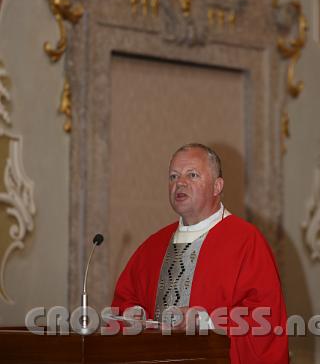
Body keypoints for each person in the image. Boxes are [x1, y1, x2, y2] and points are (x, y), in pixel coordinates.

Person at [112, 143, 289, 364]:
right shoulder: (153, 246)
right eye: (173, 176)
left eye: (192, 174)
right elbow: (124, 300)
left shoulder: (246, 241)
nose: (180, 183)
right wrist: (134, 315)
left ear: (217, 186)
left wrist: (205, 321)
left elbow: (265, 320)